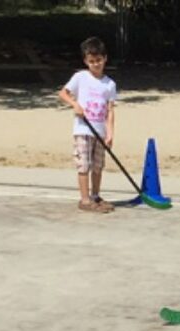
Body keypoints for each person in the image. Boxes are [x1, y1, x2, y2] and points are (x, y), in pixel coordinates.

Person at [57, 36, 117, 213]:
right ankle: (84, 199)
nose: (96, 64)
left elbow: (110, 110)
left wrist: (110, 132)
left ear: (105, 58)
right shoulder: (80, 77)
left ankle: (95, 196)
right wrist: (75, 104)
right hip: (83, 129)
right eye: (91, 61)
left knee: (98, 165)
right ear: (85, 61)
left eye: (98, 60)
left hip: (100, 130)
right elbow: (63, 93)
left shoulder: (110, 84)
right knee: (84, 164)